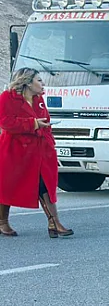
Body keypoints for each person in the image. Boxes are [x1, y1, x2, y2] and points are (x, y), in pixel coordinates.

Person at [0, 67, 71, 238]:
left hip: (39, 150)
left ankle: (54, 222)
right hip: (14, 151)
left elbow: (45, 120)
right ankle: (3, 222)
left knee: (44, 184)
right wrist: (33, 124)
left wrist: (49, 142)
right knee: (7, 187)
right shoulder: (7, 97)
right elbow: (5, 122)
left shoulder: (39, 99)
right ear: (27, 82)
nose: (43, 83)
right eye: (39, 80)